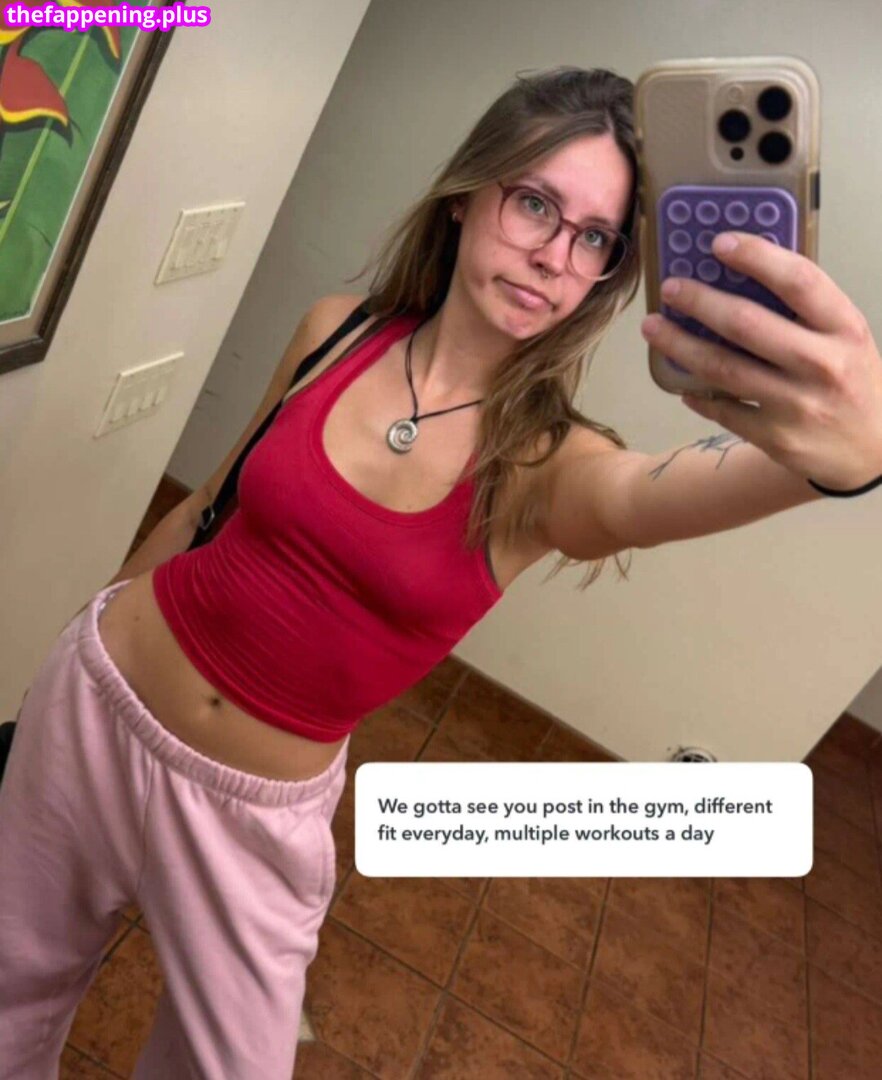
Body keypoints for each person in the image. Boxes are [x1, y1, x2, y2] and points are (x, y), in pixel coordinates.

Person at [1, 65, 880, 1080]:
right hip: (99, 694)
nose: (554, 255)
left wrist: (843, 461)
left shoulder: (547, 464)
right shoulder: (335, 329)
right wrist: (83, 638)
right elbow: (209, 503)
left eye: (594, 237)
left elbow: (646, 494)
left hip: (249, 816)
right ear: (469, 193)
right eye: (536, 204)